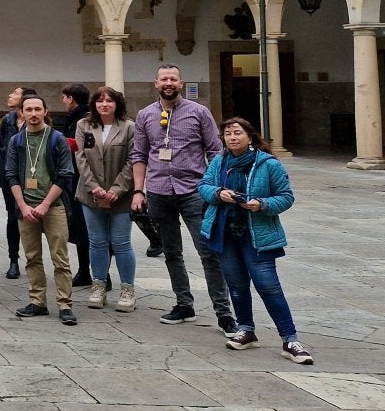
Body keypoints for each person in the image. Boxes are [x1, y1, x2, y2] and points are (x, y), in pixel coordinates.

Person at [130, 64, 235, 335]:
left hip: (193, 192)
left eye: (173, 79)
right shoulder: (145, 115)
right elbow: (139, 155)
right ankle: (184, 304)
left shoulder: (199, 112)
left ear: (181, 83)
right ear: (156, 83)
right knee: (171, 252)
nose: (169, 83)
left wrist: (216, 187)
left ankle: (224, 313)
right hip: (159, 192)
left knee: (208, 252)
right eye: (164, 79)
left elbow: (215, 151)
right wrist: (139, 191)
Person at [198, 117, 312, 364]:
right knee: (236, 285)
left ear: (250, 136)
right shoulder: (219, 161)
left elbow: (286, 196)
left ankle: (290, 339)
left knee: (268, 286)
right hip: (226, 234)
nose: (232, 137)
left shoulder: (268, 163)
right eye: (228, 134)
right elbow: (203, 186)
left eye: (237, 133)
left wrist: (262, 204)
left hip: (257, 235)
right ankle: (246, 330)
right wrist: (219, 193)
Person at [6, 94, 77, 325]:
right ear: (22, 113)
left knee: (60, 258)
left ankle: (65, 304)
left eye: (38, 109)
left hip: (53, 207)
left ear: (45, 111)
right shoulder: (16, 141)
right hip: (26, 208)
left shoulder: (57, 139)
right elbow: (11, 174)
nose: (33, 114)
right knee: (32, 257)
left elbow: (65, 174)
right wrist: (23, 206)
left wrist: (45, 204)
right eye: (29, 109)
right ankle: (37, 302)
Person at [73, 86, 137, 312]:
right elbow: (80, 157)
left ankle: (127, 290)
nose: (104, 104)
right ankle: (98, 286)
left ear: (117, 104)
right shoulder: (83, 125)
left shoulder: (129, 127)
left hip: (121, 196)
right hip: (91, 195)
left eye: (109, 100)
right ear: (94, 104)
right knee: (97, 241)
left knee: (121, 242)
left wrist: (117, 188)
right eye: (100, 101)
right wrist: (94, 187)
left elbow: (133, 159)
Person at [0, 85, 36, 280]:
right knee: (12, 218)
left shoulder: (35, 120)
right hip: (10, 178)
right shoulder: (7, 120)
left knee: (33, 218)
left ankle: (34, 260)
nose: (10, 95)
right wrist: (4, 171)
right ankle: (13, 260)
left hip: (32, 178)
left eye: (15, 93)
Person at [60, 82, 94, 287]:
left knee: (87, 228)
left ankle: (97, 273)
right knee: (81, 228)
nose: (63, 101)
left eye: (64, 97)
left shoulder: (84, 119)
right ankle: (84, 271)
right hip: (76, 178)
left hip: (83, 179)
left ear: (71, 98)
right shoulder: (76, 117)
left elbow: (86, 147)